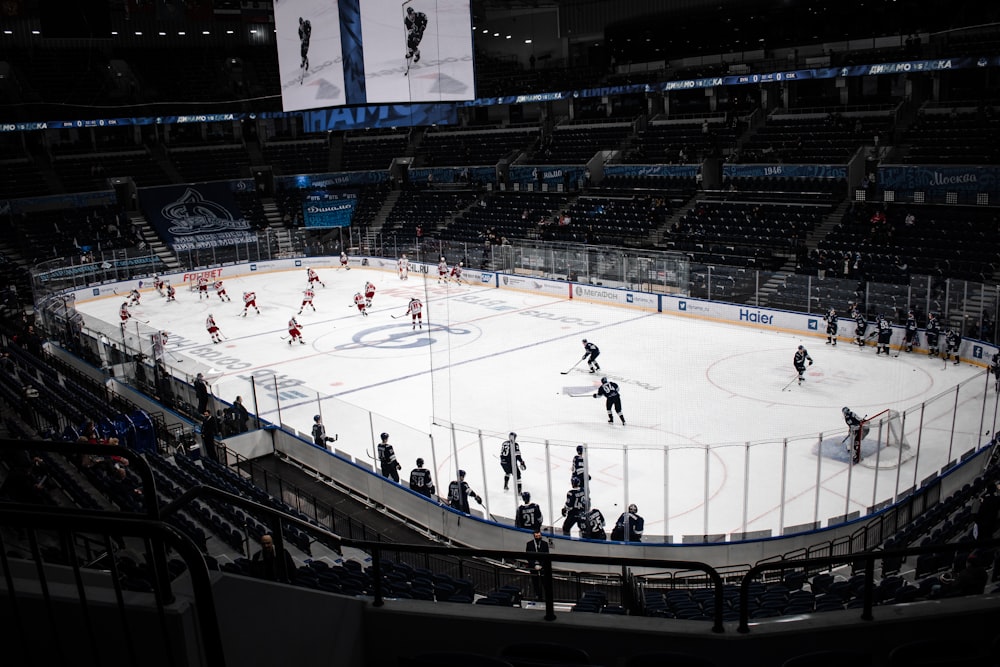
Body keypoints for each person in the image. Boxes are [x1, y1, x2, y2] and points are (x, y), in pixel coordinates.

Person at [525, 530, 550, 600]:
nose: (538, 537)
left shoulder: (545, 544)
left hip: (543, 567)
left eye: (539, 536)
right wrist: (534, 565)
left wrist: (541, 565)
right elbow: (528, 557)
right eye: (536, 536)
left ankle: (547, 596)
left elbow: (546, 555)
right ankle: (538, 595)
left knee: (545, 582)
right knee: (535, 582)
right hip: (533, 567)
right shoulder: (529, 544)